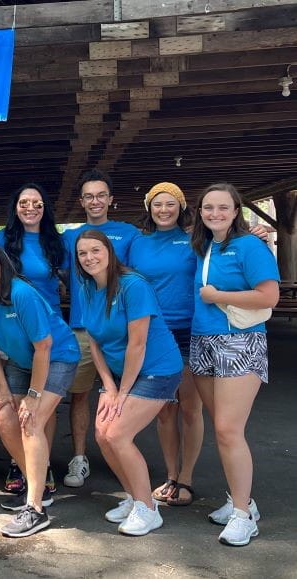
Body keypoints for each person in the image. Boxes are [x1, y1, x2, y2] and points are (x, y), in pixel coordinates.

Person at [0, 243, 79, 537]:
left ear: (2, 266)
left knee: (31, 420)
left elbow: (44, 346)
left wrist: (34, 396)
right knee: (4, 418)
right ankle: (36, 487)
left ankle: (36, 510)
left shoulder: (21, 293)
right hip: (21, 361)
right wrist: (2, 387)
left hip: (57, 357)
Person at [75, 230, 183, 536]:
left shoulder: (133, 285)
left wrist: (122, 393)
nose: (89, 258)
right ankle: (136, 498)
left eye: (95, 250)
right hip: (119, 374)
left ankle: (148, 509)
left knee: (118, 434)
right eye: (82, 253)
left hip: (157, 369)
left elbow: (138, 344)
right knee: (102, 434)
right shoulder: (86, 288)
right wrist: (109, 386)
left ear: (109, 252)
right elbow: (94, 342)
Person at [190, 183, 279, 546]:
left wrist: (218, 296)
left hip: (239, 341)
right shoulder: (203, 246)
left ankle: (243, 515)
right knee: (222, 428)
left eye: (223, 207)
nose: (215, 213)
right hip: (202, 340)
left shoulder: (249, 246)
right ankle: (242, 501)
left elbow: (269, 296)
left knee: (228, 430)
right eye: (208, 207)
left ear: (236, 211)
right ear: (200, 212)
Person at [60, 169, 140, 489]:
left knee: (125, 395)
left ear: (110, 199)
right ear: (81, 201)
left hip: (119, 330)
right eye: (89, 196)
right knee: (79, 395)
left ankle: (122, 455)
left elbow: (147, 264)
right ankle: (79, 458)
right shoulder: (70, 237)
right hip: (82, 329)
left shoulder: (129, 233)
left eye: (101, 195)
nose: (95, 201)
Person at [127, 182, 202, 508]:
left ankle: (186, 478)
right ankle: (171, 475)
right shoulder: (137, 243)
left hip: (188, 331)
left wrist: (255, 233)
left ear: (181, 207)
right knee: (164, 410)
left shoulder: (195, 239)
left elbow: (230, 244)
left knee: (190, 408)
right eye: (157, 204)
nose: (163, 210)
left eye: (170, 203)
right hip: (155, 332)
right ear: (149, 208)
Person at [0, 182, 68, 497]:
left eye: (37, 203)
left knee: (40, 407)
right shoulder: (2, 239)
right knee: (14, 404)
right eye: (24, 202)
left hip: (48, 329)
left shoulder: (57, 242)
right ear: (15, 207)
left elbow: (70, 281)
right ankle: (19, 463)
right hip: (13, 328)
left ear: (45, 208)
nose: (30, 208)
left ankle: (43, 463)